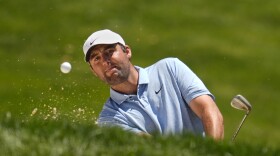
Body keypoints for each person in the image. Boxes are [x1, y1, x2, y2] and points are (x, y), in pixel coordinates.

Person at [82, 29, 224, 140]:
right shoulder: (109, 120)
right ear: (93, 71)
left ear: (127, 51)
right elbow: (154, 148)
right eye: (96, 58)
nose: (105, 61)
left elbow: (208, 110)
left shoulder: (170, 68)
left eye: (110, 51)